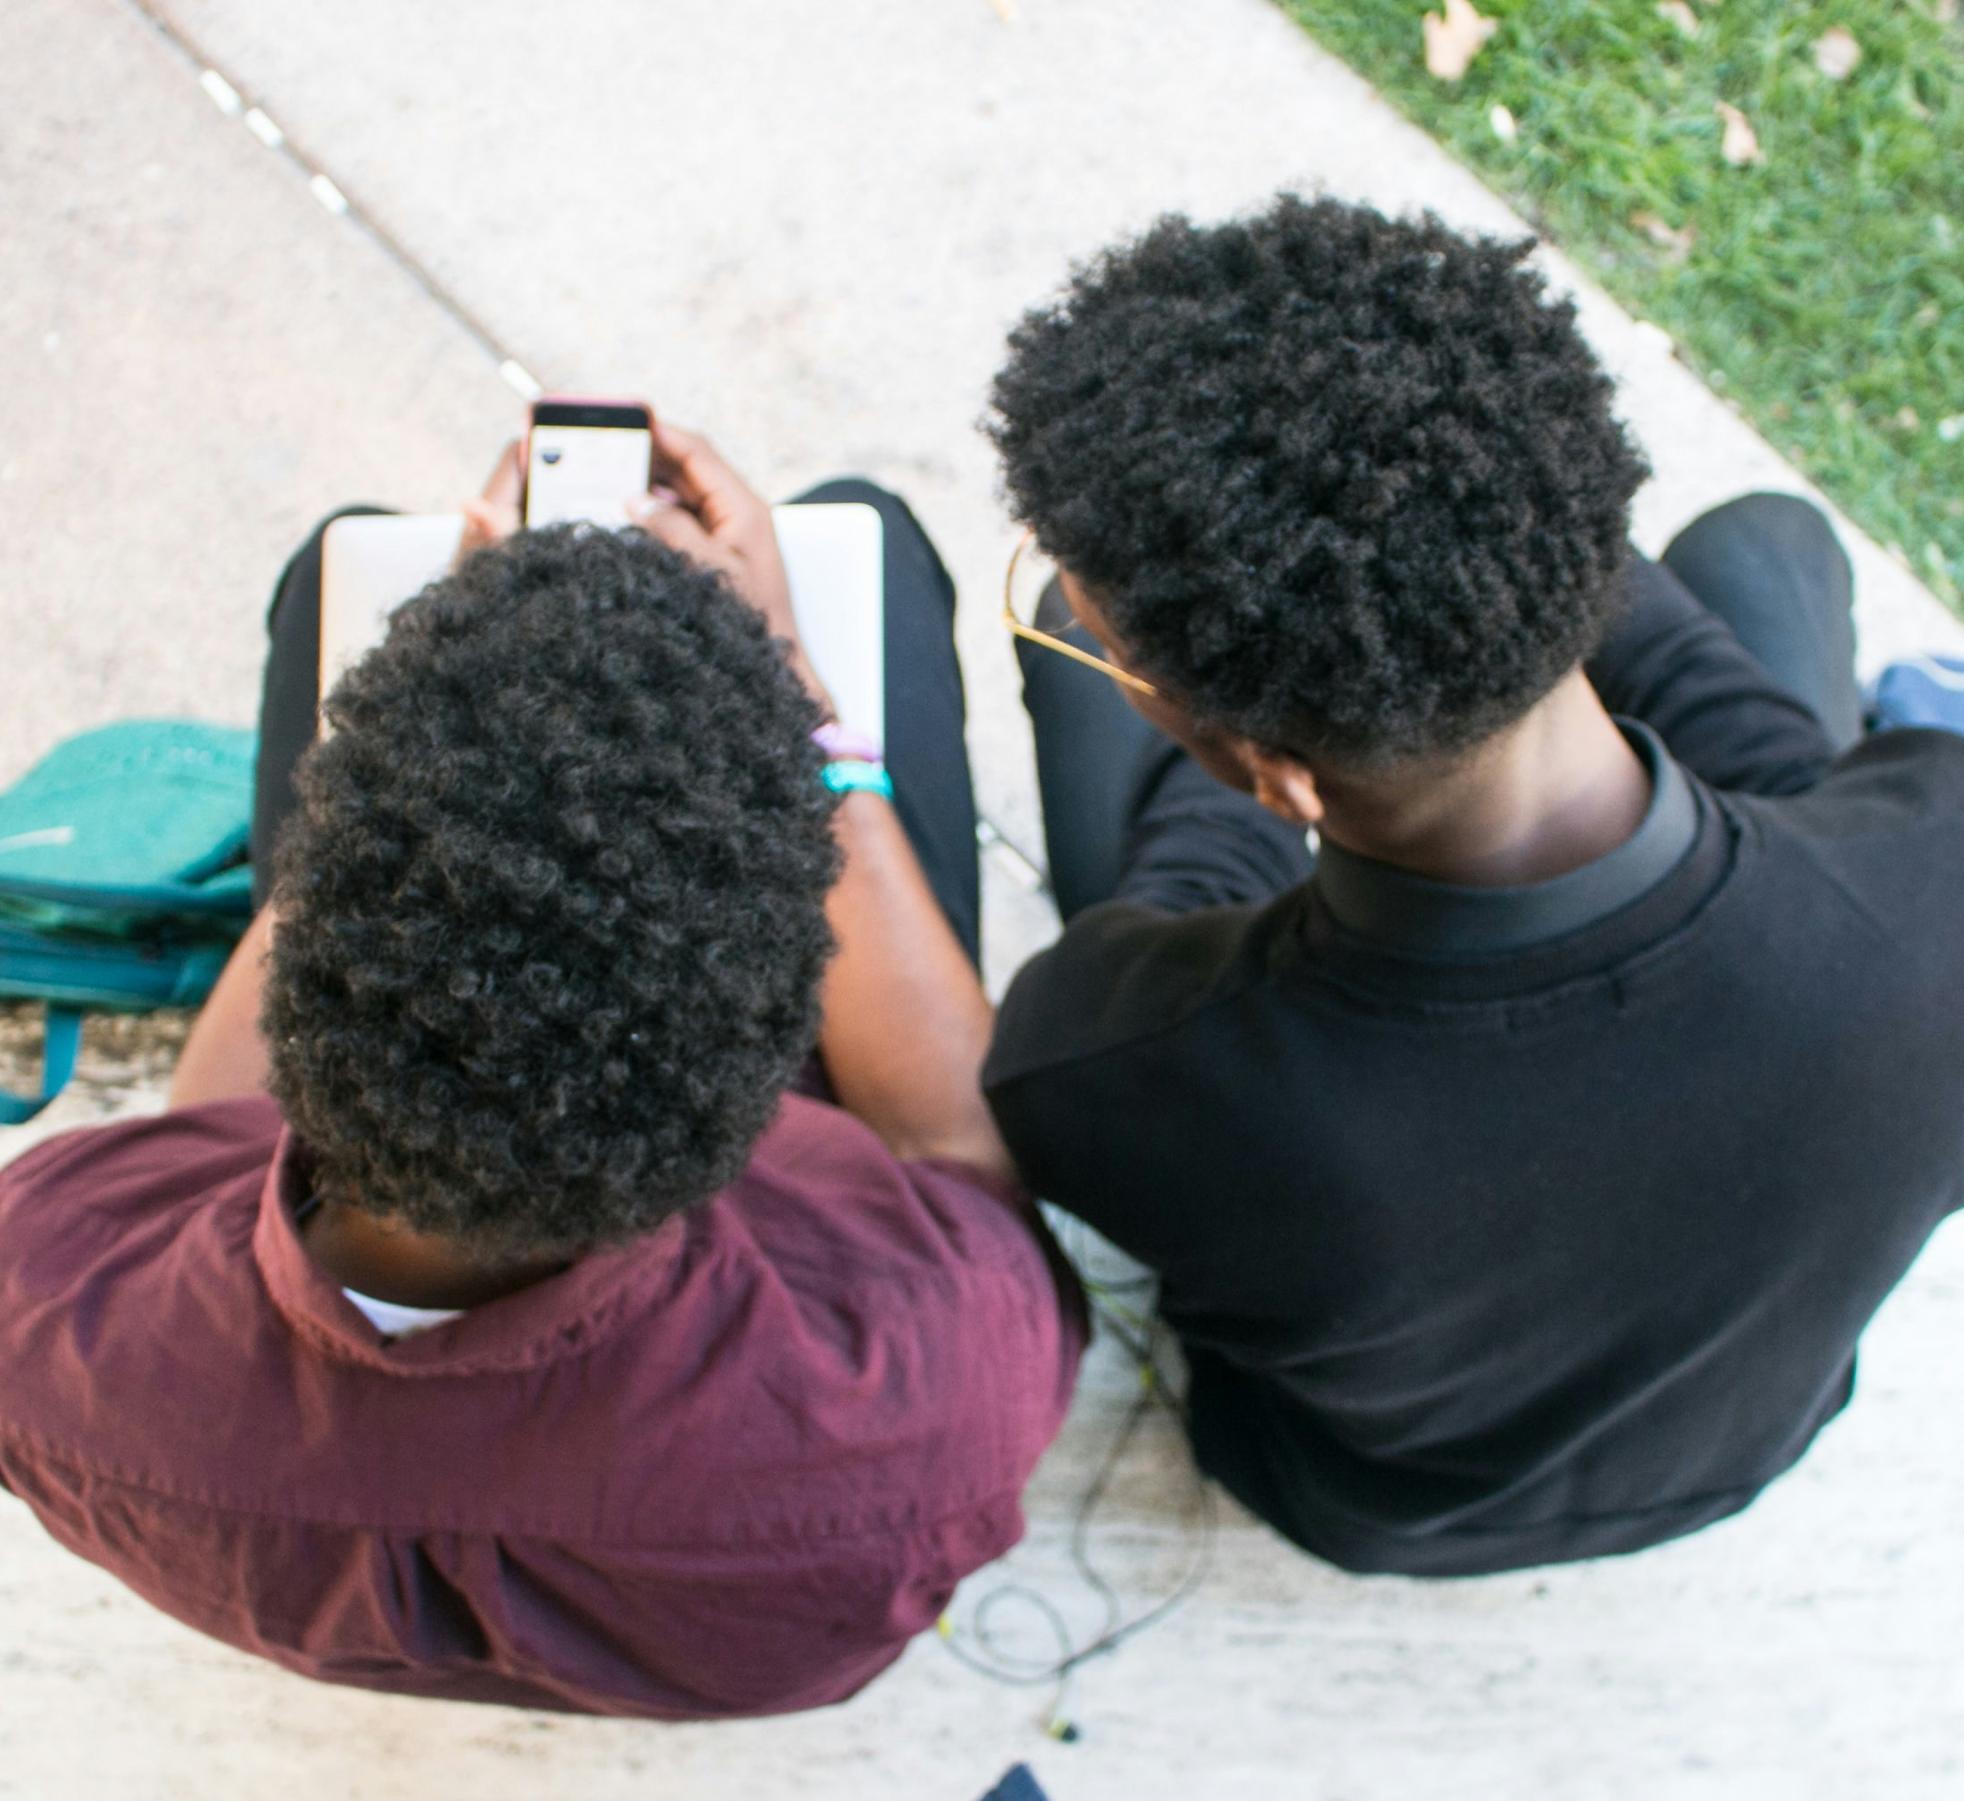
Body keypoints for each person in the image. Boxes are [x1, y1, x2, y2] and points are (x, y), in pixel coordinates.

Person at [0, 427, 1085, 1716]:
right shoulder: (928, 1413)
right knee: (869, 526)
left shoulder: (41, 1305)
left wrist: (397, 762)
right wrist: (802, 703)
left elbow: (211, 1130)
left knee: (330, 560)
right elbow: (961, 1158)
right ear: (764, 1098)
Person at [980, 194, 1964, 1577]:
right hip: (1743, 1434)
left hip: (1381, 1498)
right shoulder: (1931, 876)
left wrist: (1252, 763)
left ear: (1278, 777)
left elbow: (1188, 899)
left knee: (1078, 686)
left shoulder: (1130, 1062)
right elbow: (1797, 792)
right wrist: (1495, 565)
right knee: (1767, 546)